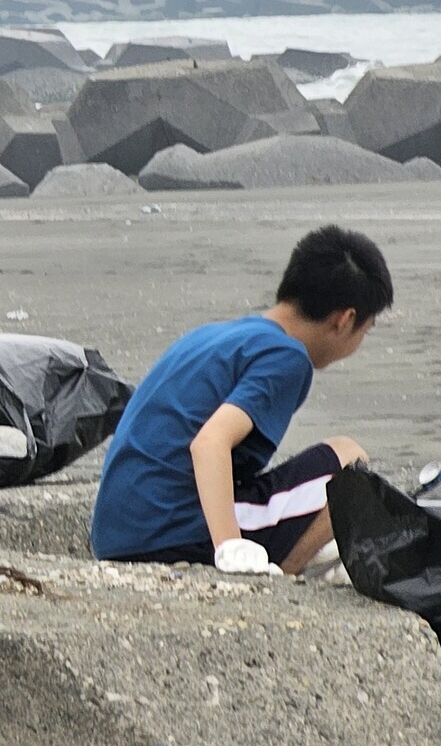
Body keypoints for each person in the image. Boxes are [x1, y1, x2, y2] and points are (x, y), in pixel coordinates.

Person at [90, 225, 391, 576]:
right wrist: (230, 548)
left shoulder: (217, 336)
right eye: (367, 330)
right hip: (167, 533)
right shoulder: (286, 357)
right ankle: (284, 576)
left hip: (117, 534)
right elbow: (209, 442)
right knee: (348, 460)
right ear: (345, 320)